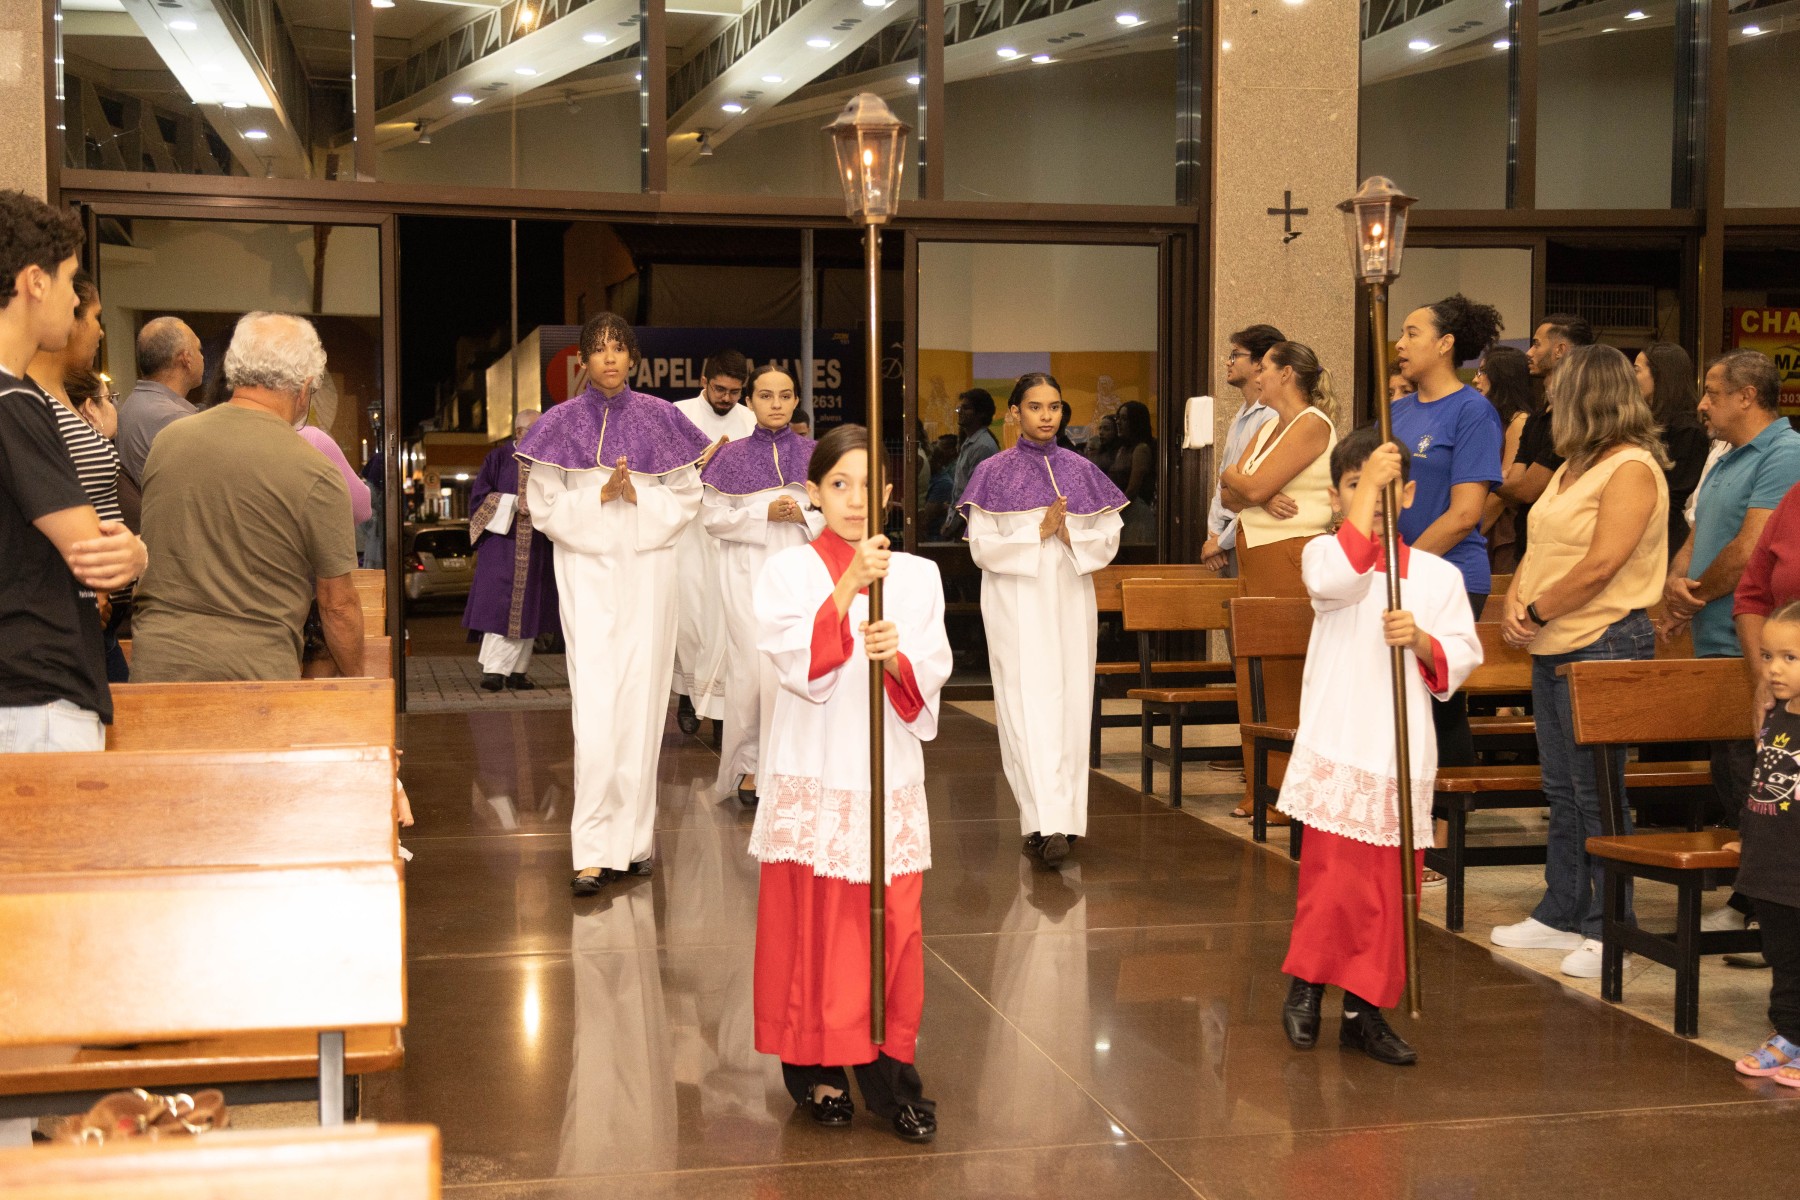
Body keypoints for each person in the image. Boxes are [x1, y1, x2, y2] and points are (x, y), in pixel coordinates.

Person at [749, 424, 950, 1143]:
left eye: (869, 485)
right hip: (815, 766)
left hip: (885, 771)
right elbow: (795, 665)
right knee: (815, 928)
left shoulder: (918, 576)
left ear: (890, 492)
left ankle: (893, 1082)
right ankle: (817, 1070)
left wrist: (898, 660)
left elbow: (931, 675)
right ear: (813, 492)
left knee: (892, 927)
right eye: (839, 484)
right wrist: (848, 587)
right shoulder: (788, 572)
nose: (856, 500)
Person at [1278, 428, 1481, 1067]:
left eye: (1386, 488)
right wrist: (1371, 484)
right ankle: (1308, 985)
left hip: (1400, 749)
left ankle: (1365, 1011)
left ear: (1410, 494)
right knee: (1333, 883)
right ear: (1337, 497)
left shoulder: (1439, 577)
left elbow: (1462, 655)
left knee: (1389, 892)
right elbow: (1342, 577)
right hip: (1342, 739)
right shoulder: (1324, 555)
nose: (1371, 499)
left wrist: (1421, 641)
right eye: (1355, 486)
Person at [1491, 345, 1670, 979]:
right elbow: (1540, 546)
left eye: (1557, 393)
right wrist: (1515, 599)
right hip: (1554, 643)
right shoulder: (1572, 465)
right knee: (1561, 789)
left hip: (1604, 641)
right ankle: (1562, 910)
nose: (1548, 404)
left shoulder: (1631, 468)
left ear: (1586, 397)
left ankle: (1610, 926)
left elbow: (1603, 563)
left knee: (1600, 795)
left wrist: (1537, 611)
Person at [518, 313, 709, 898]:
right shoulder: (558, 423)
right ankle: (593, 851)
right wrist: (599, 499)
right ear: (583, 360)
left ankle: (634, 843)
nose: (608, 358)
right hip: (589, 572)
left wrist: (640, 500)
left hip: (649, 572)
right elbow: (543, 504)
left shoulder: (662, 417)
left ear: (632, 358)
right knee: (597, 708)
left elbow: (688, 496)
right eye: (598, 349)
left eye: (618, 348)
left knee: (645, 704)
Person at [131, 313, 363, 683]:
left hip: (157, 671)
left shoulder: (168, 442)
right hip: (256, 681)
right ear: (304, 388)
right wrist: (358, 682)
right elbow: (337, 605)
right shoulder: (315, 471)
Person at [960, 373, 1125, 869]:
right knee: (1024, 704)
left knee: (1071, 702)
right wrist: (1038, 532)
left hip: (1071, 598)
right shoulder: (991, 471)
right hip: (1015, 600)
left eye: (1054, 406)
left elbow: (1109, 538)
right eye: (1035, 406)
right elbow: (981, 548)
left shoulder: (1081, 469)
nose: (1047, 415)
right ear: (1015, 412)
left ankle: (1064, 820)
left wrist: (1070, 536)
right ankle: (1040, 819)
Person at [0, 189, 144, 750]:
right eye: (68, 280)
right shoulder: (14, 401)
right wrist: (137, 553)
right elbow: (95, 556)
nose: (73, 298)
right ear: (35, 282)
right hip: (32, 691)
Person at [1665, 349, 1800, 928]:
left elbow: (1750, 551)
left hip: (1763, 651)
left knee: (1760, 779)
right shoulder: (1723, 456)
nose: (1702, 404)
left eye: (1713, 393)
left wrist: (1692, 595)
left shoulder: (1785, 453)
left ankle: (1757, 905)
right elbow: (1701, 532)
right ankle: (1752, 899)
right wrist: (1676, 586)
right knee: (1735, 773)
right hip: (1722, 638)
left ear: (1747, 397)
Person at [1217, 341, 1339, 819]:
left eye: (1264, 367)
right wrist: (1256, 493)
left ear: (1287, 374)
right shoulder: (1268, 424)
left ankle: (1290, 797)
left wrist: (1249, 486)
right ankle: (1260, 787)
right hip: (1254, 551)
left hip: (1291, 554)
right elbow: (1229, 492)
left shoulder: (1312, 423)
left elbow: (1248, 483)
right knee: (1253, 674)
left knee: (1284, 676)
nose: (1257, 375)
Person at [1390, 294, 1505, 776]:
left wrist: (1402, 567)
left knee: (1437, 698)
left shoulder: (1472, 411)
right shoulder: (1396, 412)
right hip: (1398, 571)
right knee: (1398, 700)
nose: (1400, 343)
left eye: (1412, 333)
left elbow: (1465, 515)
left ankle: (1448, 811)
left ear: (1445, 344)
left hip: (1449, 575)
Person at [700, 364, 821, 805]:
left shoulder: (817, 454)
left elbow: (840, 513)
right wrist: (761, 514)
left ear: (796, 400)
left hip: (802, 573)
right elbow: (712, 518)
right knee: (752, 672)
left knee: (796, 668)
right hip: (746, 572)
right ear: (749, 402)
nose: (776, 404)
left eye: (785, 396)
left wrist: (804, 515)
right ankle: (751, 766)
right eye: (766, 396)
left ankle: (793, 769)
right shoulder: (729, 457)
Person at [27, 271, 133, 683]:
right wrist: (89, 589)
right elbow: (45, 504)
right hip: (74, 612)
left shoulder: (61, 397)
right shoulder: (32, 402)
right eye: (94, 317)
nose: (100, 331)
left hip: (98, 619)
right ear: (69, 319)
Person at [1727, 600, 1800, 1088]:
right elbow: (1762, 788)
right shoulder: (1775, 716)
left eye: (1790, 658)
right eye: (1769, 656)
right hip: (1771, 864)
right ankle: (1790, 1034)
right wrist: (1747, 838)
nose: (1774, 669)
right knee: (1783, 957)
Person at [672, 350, 755, 734]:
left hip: (731, 533)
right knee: (691, 621)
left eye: (734, 392)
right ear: (703, 382)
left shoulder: (751, 421)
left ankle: (722, 712)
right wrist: (696, 467)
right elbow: (660, 475)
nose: (726, 398)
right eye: (719, 389)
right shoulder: (678, 415)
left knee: (727, 623)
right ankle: (689, 694)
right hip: (689, 532)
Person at [463, 408, 559, 692]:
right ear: (519, 432)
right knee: (500, 607)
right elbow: (479, 499)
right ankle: (494, 670)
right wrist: (515, 503)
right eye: (536, 430)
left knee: (530, 608)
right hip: (502, 546)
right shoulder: (498, 459)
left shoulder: (548, 461)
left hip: (537, 547)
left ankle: (518, 671)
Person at [1496, 313, 1595, 536]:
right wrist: (1505, 481)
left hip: (1561, 539)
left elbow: (1525, 490)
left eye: (1536, 344)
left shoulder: (1574, 418)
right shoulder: (1537, 417)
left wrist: (1481, 476)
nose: (1529, 353)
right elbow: (1515, 484)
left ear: (1560, 350)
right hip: (1527, 539)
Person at [1201, 323, 1284, 576]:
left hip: (1251, 537)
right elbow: (1223, 483)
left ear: (1260, 363)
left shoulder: (1273, 416)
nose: (1228, 362)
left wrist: (1222, 541)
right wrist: (1214, 534)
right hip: (1229, 538)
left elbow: (1259, 494)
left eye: (1235, 355)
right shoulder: (1241, 415)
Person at [1635, 340, 1711, 552]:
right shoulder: (1641, 423)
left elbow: (1672, 499)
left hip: (1662, 542)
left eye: (1637, 370)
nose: (1631, 378)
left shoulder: (1688, 432)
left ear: (1660, 375)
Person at [115, 316, 204, 487]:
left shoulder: (133, 403)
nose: (202, 357)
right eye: (199, 349)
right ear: (186, 359)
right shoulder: (176, 417)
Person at [1473, 345, 1535, 572]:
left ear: (1502, 376)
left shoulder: (1519, 421)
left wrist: (1472, 531)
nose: (1476, 379)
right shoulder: (1491, 419)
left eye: (1482, 372)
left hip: (1501, 529)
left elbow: (1505, 492)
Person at [939, 388, 998, 538]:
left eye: (966, 408)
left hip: (970, 527)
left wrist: (954, 526)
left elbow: (975, 495)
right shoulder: (970, 443)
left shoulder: (982, 446)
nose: (960, 412)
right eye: (959, 408)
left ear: (981, 413)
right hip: (962, 523)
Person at [1111, 399, 1158, 546]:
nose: (1118, 422)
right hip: (1122, 512)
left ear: (1136, 422)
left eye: (1124, 419)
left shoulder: (1141, 449)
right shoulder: (1122, 450)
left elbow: (1133, 489)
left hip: (1135, 513)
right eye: (1118, 418)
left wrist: (1113, 511)